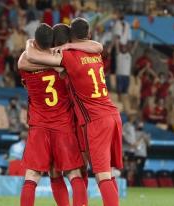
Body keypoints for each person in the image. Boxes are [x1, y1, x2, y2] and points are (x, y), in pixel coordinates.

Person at [25, 18, 123, 206]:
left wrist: (30, 43)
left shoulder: (69, 57)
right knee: (103, 172)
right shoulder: (94, 54)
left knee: (101, 175)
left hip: (95, 120)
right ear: (87, 35)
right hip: (111, 114)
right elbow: (98, 46)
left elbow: (32, 58)